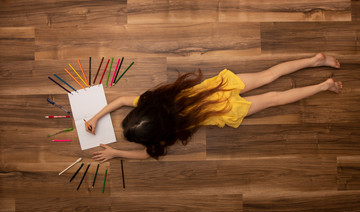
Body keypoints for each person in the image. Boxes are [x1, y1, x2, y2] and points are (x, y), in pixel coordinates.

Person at [87, 53, 342, 163]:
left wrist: (116, 153)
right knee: (269, 75)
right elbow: (121, 101)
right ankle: (315, 60)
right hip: (221, 86)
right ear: (143, 112)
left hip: (227, 110)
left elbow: (148, 155)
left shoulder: (171, 131)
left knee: (275, 98)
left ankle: (323, 86)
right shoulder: (154, 101)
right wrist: (96, 117)